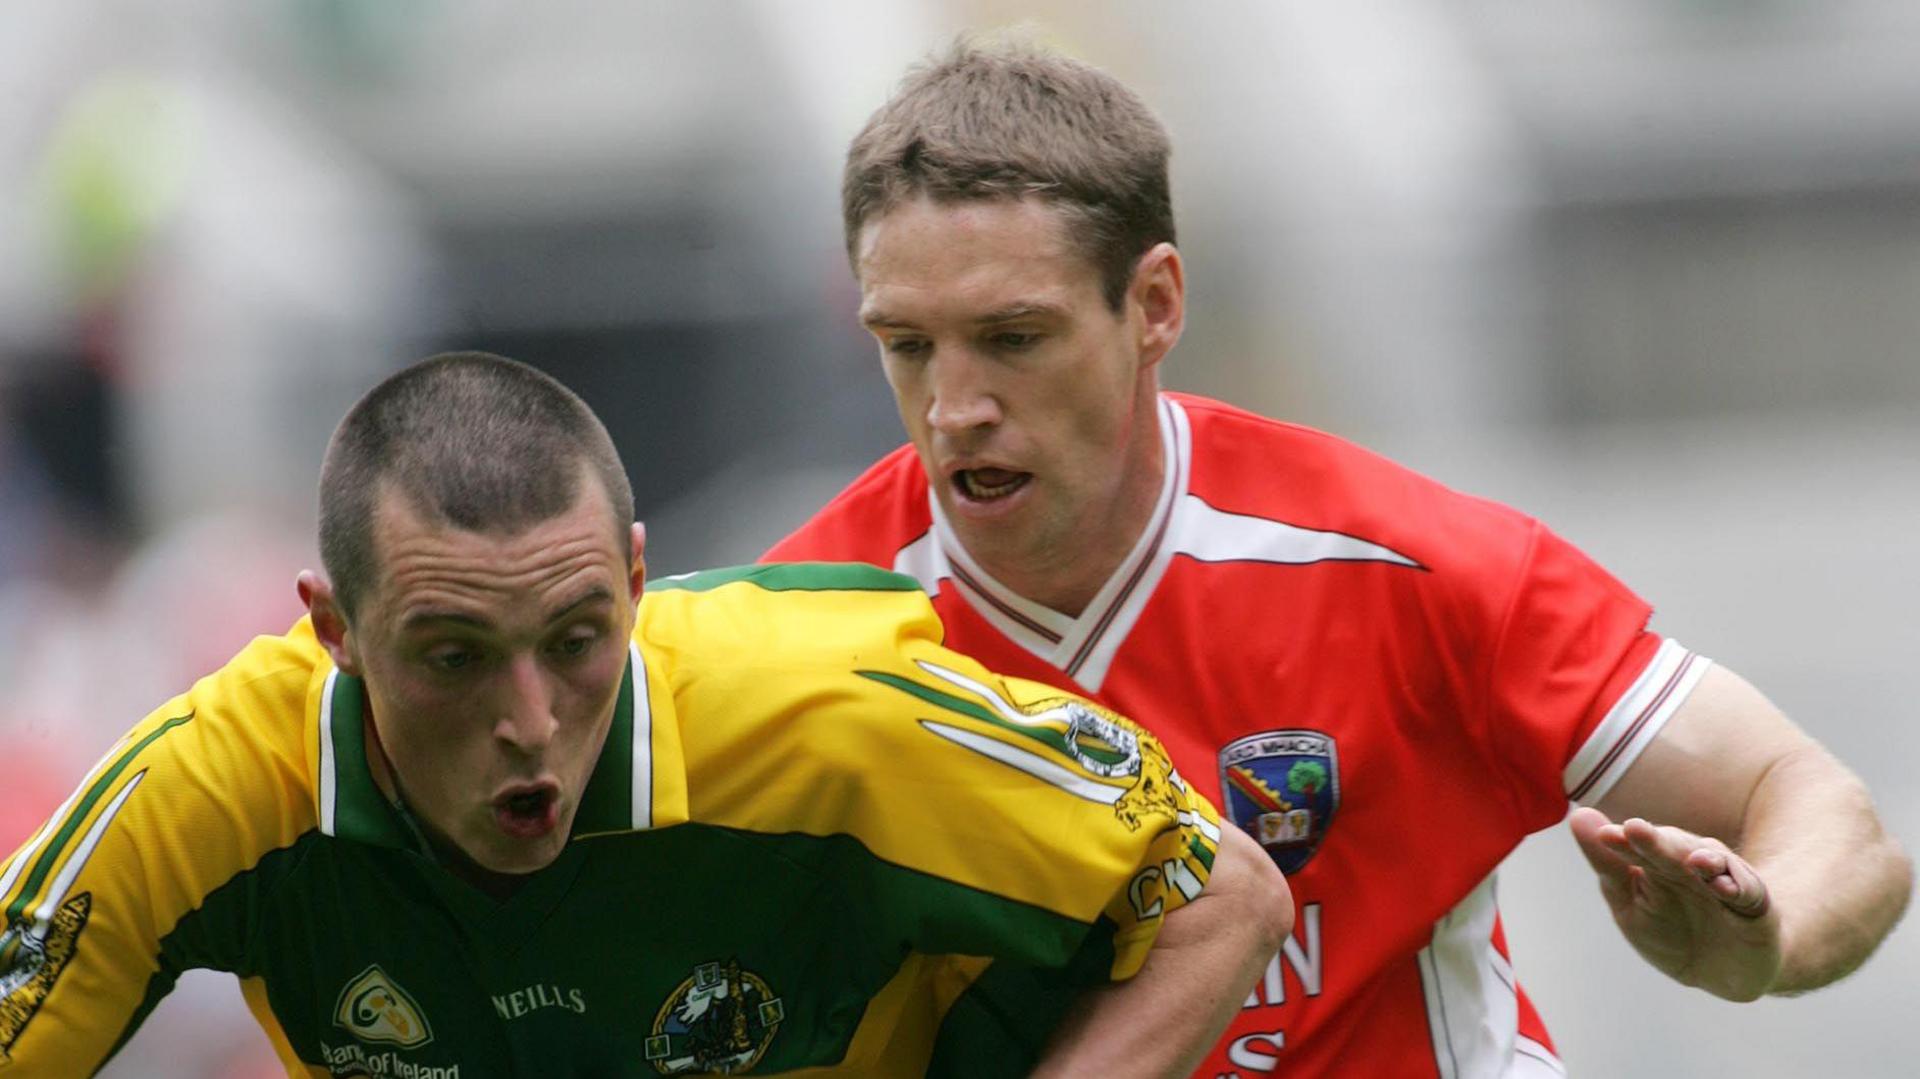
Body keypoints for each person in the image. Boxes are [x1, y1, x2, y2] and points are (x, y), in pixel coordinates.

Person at [764, 41, 1915, 1078]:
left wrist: (1764, 941)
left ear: (1154, 303)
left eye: (1014, 338)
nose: (954, 405)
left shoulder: (1402, 568)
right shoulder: (802, 637)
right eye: (906, 345)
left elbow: (1813, 805)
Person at [0, 352, 1291, 1077]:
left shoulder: (833, 721)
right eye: (453, 654)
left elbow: (1220, 896)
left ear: (634, 578)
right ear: (333, 627)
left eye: (575, 641)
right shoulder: (213, 788)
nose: (527, 718)